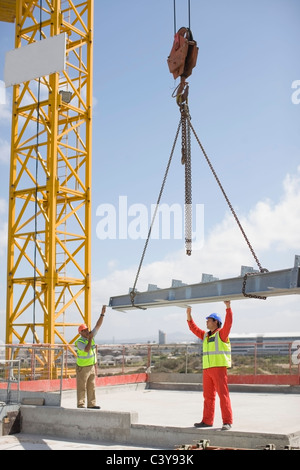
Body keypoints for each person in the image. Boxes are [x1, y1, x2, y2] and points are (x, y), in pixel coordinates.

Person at [186, 300, 233, 431]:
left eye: (209, 320)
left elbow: (229, 324)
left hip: (219, 369)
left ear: (216, 322)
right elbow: (193, 328)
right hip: (207, 369)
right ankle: (207, 421)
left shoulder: (222, 334)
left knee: (223, 396)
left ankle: (227, 422)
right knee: (208, 397)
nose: (206, 322)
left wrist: (228, 308)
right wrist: (189, 315)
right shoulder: (206, 335)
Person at [75, 305, 106, 409]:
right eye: (85, 330)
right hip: (82, 368)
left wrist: (102, 314)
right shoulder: (79, 342)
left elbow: (98, 326)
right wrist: (89, 339)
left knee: (91, 387)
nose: (88, 331)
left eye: (87, 329)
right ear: (81, 332)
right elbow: (87, 349)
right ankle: (81, 404)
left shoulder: (90, 337)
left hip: (91, 366)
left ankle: (91, 404)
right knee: (81, 387)